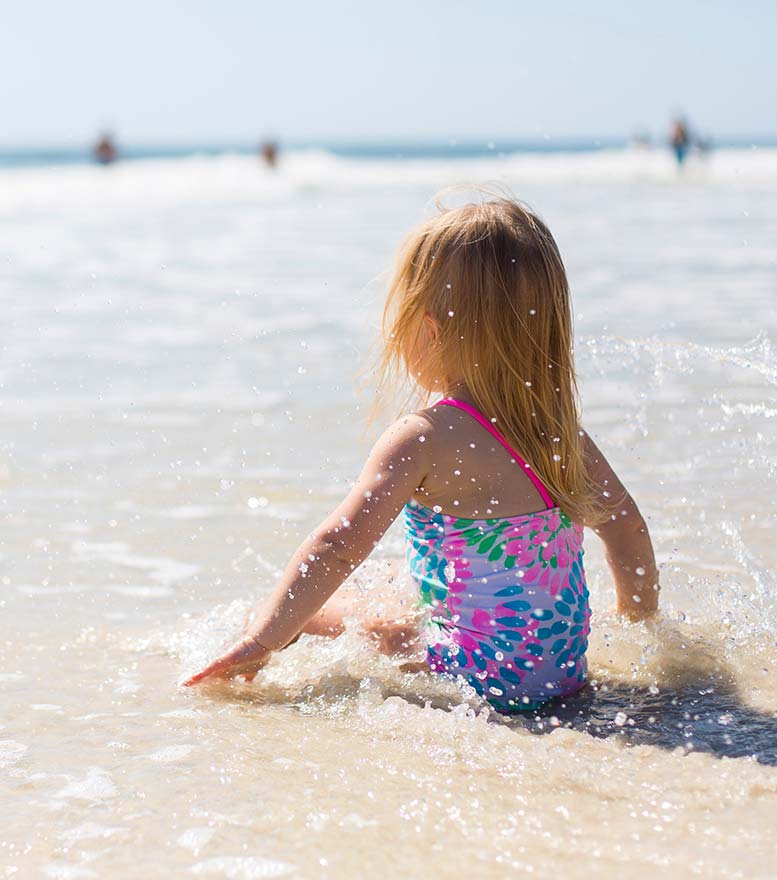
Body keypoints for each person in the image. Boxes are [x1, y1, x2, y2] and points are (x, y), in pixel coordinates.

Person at [183, 195, 660, 713]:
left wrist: (264, 639)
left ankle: (245, 647)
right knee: (394, 580)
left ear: (428, 330)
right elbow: (626, 528)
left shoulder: (424, 437)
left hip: (472, 680)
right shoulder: (562, 436)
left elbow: (337, 546)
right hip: (560, 679)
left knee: (315, 614)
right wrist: (638, 628)